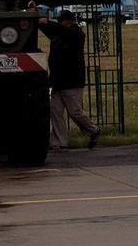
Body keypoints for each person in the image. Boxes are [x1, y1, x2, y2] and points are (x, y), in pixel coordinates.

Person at [37, 9, 99, 149]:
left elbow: (59, 29)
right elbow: (48, 29)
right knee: (55, 112)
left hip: (72, 81)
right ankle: (59, 143)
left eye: (62, 21)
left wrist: (49, 22)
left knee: (74, 112)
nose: (60, 23)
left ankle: (94, 130)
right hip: (57, 82)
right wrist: (36, 15)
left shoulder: (77, 35)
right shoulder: (58, 35)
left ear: (70, 22)